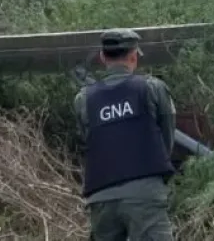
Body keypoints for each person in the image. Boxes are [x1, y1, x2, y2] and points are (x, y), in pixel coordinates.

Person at [74, 29, 177, 241]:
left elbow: (88, 140)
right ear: (133, 56)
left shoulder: (83, 99)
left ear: (103, 57)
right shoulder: (152, 88)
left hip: (101, 197)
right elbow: (167, 136)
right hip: (145, 194)